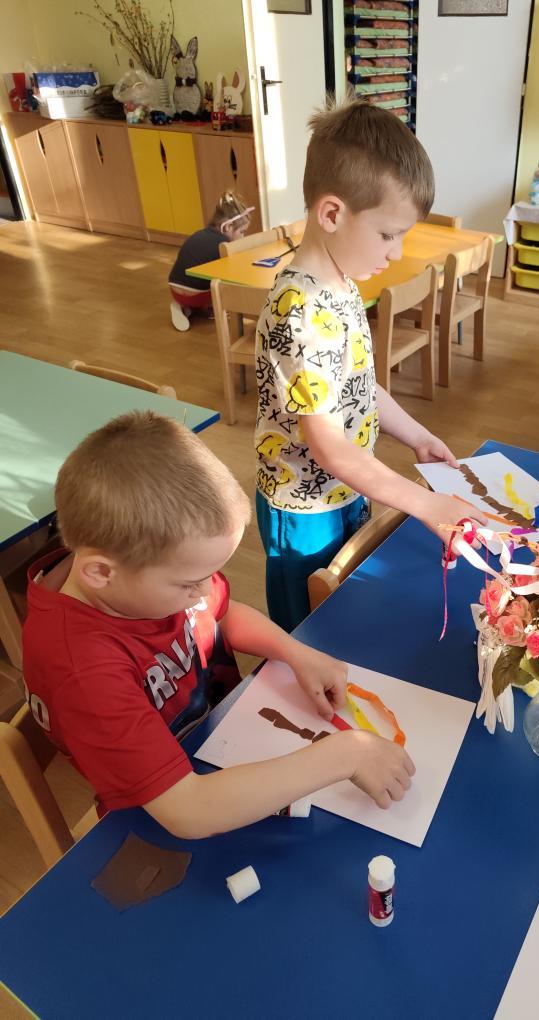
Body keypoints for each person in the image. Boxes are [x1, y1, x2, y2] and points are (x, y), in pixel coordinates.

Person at [22, 411, 415, 838]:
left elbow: (222, 613)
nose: (205, 588)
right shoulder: (82, 671)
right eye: (190, 582)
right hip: (165, 806)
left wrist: (294, 652)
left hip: (222, 739)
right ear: (100, 572)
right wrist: (344, 755)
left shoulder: (141, 578)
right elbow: (187, 811)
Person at [254, 98, 486, 631]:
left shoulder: (343, 284)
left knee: (344, 606)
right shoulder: (301, 309)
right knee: (310, 626)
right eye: (388, 234)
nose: (396, 252)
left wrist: (417, 436)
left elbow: (361, 386)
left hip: (349, 486)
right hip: (305, 510)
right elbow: (328, 445)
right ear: (332, 214)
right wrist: (425, 505)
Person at [168, 190, 253, 332]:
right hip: (198, 296)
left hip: (175, 289)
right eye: (242, 232)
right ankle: (204, 307)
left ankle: (186, 307)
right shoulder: (224, 245)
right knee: (230, 278)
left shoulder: (200, 234)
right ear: (227, 227)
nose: (243, 237)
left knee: (211, 271)